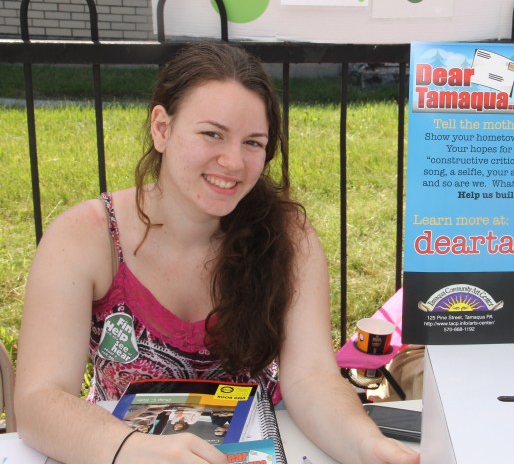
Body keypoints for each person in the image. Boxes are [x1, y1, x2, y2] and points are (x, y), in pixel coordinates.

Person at [14, 42, 420, 464]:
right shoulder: (87, 236)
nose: (233, 162)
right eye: (212, 134)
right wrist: (133, 450)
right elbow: (39, 398)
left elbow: (311, 376)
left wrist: (367, 446)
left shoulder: (288, 238)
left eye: (253, 143)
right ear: (162, 128)